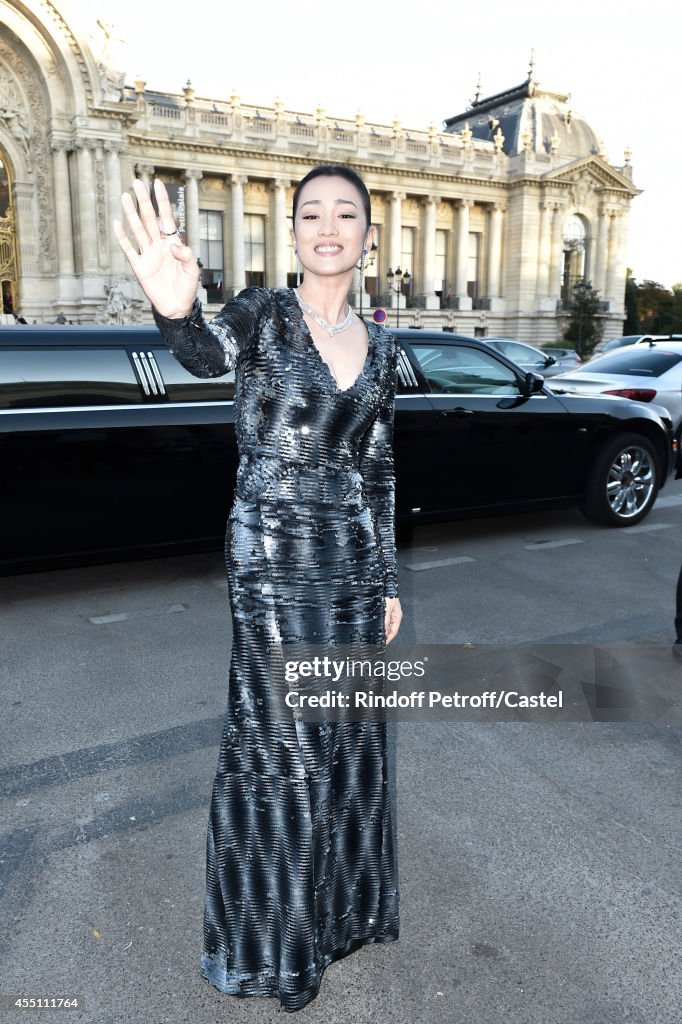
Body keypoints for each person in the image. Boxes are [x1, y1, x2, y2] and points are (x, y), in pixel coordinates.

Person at [114, 165, 403, 1012]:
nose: (327, 225)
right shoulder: (262, 314)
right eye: (311, 211)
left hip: (350, 564)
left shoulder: (385, 347)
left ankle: (334, 919)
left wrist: (386, 578)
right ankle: (270, 951)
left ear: (366, 234)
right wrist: (174, 307)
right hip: (271, 558)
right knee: (285, 750)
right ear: (292, 233)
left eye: (344, 212)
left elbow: (377, 470)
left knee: (347, 741)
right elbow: (207, 355)